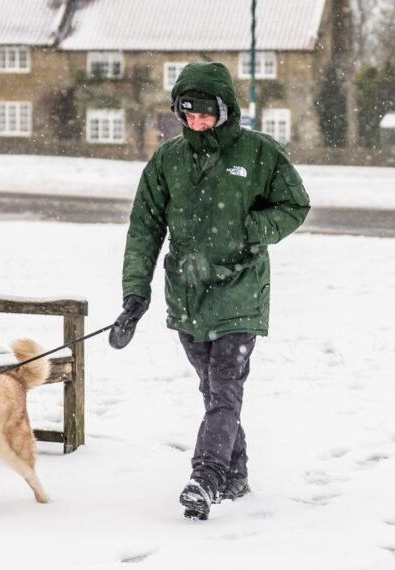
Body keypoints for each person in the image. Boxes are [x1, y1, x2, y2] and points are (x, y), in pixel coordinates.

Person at [109, 62, 311, 521]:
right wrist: (135, 294)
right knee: (214, 390)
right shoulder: (168, 160)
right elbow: (144, 229)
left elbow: (295, 205)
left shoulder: (259, 153)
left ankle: (207, 477)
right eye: (188, 114)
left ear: (225, 110)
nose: (197, 122)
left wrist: (252, 228)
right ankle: (236, 474)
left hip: (240, 290)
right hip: (188, 294)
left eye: (205, 114)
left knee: (224, 388)